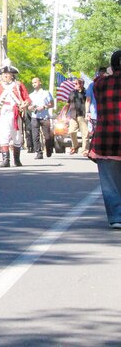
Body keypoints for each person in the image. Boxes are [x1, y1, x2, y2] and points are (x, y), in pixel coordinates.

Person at [87, 50, 121, 228]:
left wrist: (110, 71)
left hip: (107, 139)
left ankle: (116, 217)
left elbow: (96, 82)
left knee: (110, 183)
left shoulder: (101, 83)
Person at [0, 60, 30, 168]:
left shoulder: (18, 85)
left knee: (17, 137)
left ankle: (17, 159)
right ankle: (6, 160)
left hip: (15, 114)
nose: (6, 75)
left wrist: (25, 104)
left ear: (12, 75)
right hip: (2, 114)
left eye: (8, 74)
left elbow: (27, 98)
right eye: (4, 74)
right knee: (3, 136)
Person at [28, 77, 54, 160]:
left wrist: (44, 107)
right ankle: (39, 152)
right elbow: (28, 107)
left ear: (40, 82)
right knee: (35, 136)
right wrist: (31, 107)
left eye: (35, 82)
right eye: (33, 83)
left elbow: (52, 104)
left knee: (47, 136)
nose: (34, 84)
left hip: (44, 117)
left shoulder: (46, 93)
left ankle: (49, 149)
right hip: (35, 117)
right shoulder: (31, 95)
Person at [67, 78, 89, 155]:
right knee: (71, 131)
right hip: (73, 115)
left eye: (80, 83)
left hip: (82, 115)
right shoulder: (72, 93)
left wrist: (88, 112)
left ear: (83, 84)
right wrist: (64, 113)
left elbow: (89, 102)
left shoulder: (86, 93)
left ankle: (85, 150)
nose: (78, 85)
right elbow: (68, 104)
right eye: (76, 84)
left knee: (85, 133)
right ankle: (75, 146)